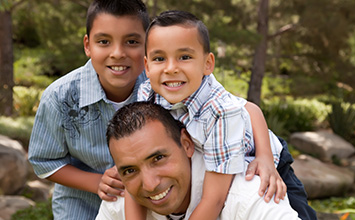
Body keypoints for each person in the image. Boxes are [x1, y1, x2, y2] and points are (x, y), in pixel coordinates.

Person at [136, 10, 317, 220]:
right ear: (147, 66)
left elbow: (215, 199)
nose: (171, 68)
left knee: (292, 209)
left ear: (208, 64)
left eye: (184, 57)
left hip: (265, 157)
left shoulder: (219, 110)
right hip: (216, 152)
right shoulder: (146, 94)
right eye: (159, 58)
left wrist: (264, 156)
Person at [27, 1, 149, 219]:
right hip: (82, 207)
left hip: (147, 202)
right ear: (87, 45)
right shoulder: (60, 96)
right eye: (104, 41)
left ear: (147, 45)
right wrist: (96, 182)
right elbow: (44, 161)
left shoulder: (160, 91)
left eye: (132, 41)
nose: (118, 53)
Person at [96, 101, 300, 220]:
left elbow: (250, 108)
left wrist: (264, 156)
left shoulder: (248, 195)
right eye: (130, 170)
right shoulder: (119, 198)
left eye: (158, 158)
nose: (150, 184)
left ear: (186, 144)